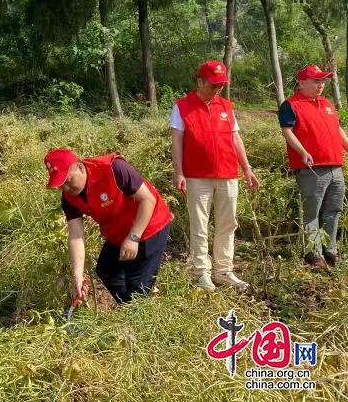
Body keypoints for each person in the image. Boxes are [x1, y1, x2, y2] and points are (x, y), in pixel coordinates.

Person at [170, 61, 260, 292]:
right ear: (200, 82)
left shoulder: (226, 106)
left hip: (228, 174)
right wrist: (178, 171)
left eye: (221, 85)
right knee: (199, 224)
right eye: (213, 84)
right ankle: (201, 272)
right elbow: (177, 142)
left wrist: (247, 167)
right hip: (197, 177)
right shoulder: (182, 107)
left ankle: (223, 270)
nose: (217, 89)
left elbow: (235, 138)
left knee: (227, 224)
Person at [44, 148, 173, 304]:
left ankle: (137, 311)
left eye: (68, 181)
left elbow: (147, 200)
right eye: (61, 184)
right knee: (106, 270)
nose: (66, 189)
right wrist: (77, 275)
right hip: (118, 231)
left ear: (79, 167)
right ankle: (130, 309)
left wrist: (133, 237)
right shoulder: (69, 197)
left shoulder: (113, 169)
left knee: (137, 286)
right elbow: (76, 235)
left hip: (149, 225)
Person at [278, 65, 348, 269]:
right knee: (312, 211)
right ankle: (313, 252)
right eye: (316, 81)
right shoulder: (291, 105)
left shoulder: (326, 104)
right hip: (311, 168)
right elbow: (287, 131)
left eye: (323, 81)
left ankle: (330, 249)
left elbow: (337, 129)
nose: (321, 85)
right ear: (301, 82)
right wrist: (302, 152)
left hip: (335, 164)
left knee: (333, 209)